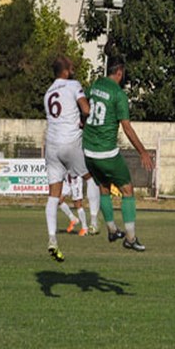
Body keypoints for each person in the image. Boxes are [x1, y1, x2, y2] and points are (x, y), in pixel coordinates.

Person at [83, 56, 154, 252]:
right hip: (106, 153)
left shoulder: (96, 84)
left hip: (88, 150)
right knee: (127, 191)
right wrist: (143, 152)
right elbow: (127, 128)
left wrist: (82, 120)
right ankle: (130, 238)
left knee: (104, 188)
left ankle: (112, 229)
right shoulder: (119, 95)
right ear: (120, 72)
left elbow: (82, 99)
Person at [43, 55, 102, 263]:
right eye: (71, 66)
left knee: (53, 196)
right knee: (91, 177)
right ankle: (93, 222)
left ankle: (52, 239)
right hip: (70, 143)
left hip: (51, 147)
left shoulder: (48, 92)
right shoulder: (73, 85)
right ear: (66, 71)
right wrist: (84, 121)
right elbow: (86, 109)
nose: (73, 68)